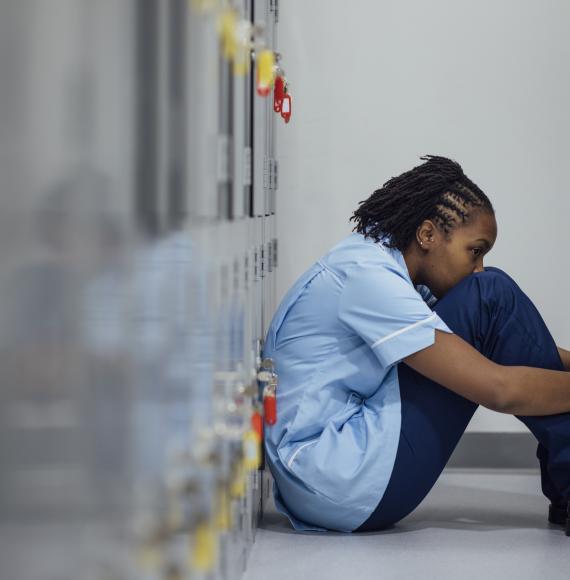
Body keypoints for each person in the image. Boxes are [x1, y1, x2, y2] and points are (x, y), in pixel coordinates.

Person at [262, 155, 570, 534]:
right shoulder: (369, 280)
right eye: (475, 251)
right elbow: (499, 390)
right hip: (340, 477)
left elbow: (515, 343)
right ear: (427, 235)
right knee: (492, 291)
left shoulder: (377, 260)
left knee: (490, 293)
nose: (478, 266)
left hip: (322, 479)